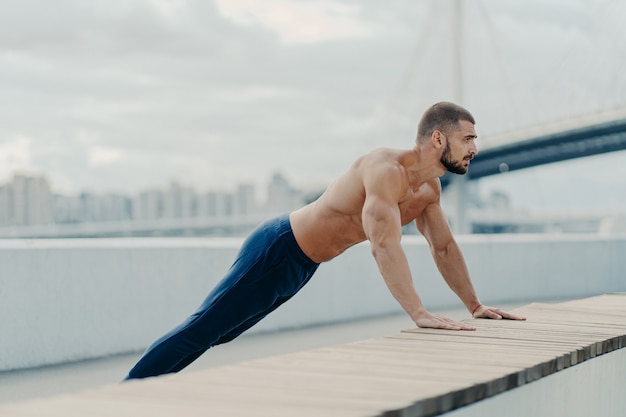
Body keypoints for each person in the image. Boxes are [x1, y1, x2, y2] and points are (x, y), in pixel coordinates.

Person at [125, 101, 525, 380]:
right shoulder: (385, 170)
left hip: (303, 265)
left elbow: (444, 248)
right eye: (468, 139)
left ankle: (145, 390)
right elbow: (383, 245)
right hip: (278, 248)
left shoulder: (428, 191)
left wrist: (473, 305)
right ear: (439, 139)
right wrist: (418, 312)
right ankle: (123, 396)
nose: (475, 148)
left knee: (220, 334)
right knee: (203, 329)